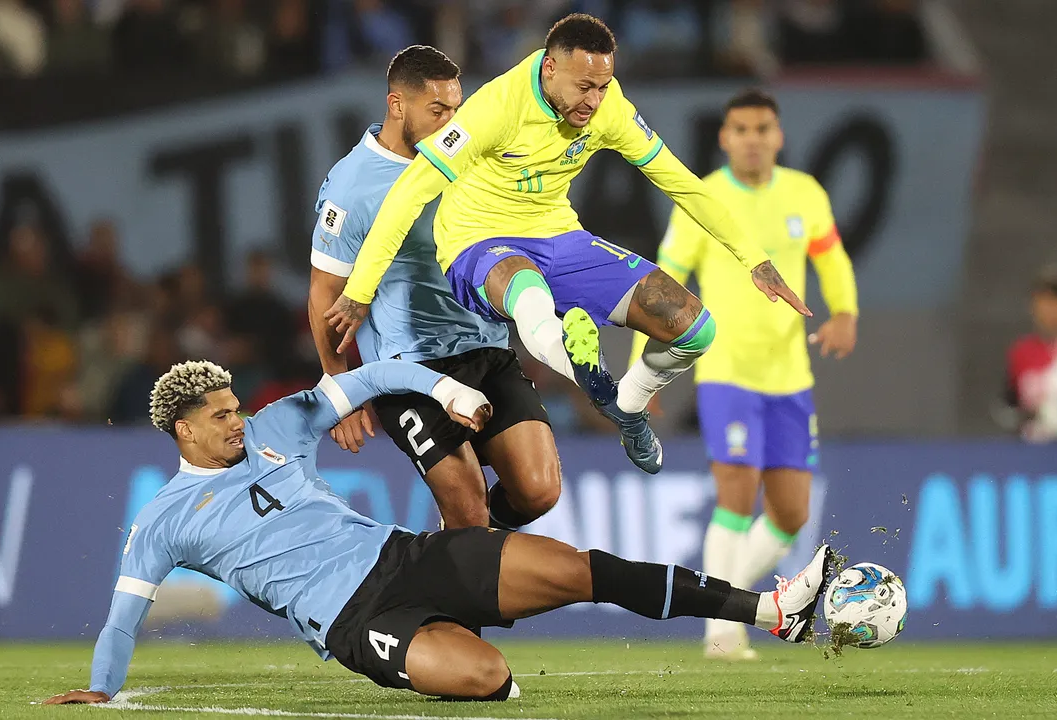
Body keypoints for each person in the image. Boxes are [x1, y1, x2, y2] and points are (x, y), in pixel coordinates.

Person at [43, 359, 832, 705]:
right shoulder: (162, 521)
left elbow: (378, 379)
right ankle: (468, 661)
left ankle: (772, 611)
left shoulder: (280, 425)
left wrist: (443, 389)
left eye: (235, 405)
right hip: (357, 624)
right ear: (182, 431)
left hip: (407, 558)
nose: (236, 420)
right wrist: (104, 687)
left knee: (584, 569)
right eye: (219, 416)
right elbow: (125, 613)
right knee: (486, 678)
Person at [323, 13, 811, 477]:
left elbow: (682, 183)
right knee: (528, 291)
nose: (594, 101)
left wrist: (755, 259)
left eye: (602, 86)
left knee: (694, 330)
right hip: (477, 241)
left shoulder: (608, 107)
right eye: (584, 87)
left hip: (559, 235)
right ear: (550, 68)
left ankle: (627, 406)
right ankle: (583, 366)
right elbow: (411, 192)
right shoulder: (495, 109)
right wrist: (361, 289)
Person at [632, 89, 857, 660]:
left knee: (790, 514)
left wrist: (846, 313)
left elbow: (830, 257)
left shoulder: (804, 192)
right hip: (727, 372)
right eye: (741, 129)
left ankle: (734, 606)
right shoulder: (703, 200)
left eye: (762, 128)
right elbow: (662, 283)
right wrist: (646, 366)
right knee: (736, 497)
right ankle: (722, 630)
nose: (753, 138)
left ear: (778, 136)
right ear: (724, 137)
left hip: (790, 377)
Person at [307, 45, 561, 531]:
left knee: (538, 491)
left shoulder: (470, 160)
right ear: (397, 105)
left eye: (456, 109)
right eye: (437, 110)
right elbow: (324, 293)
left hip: (487, 348)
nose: (451, 122)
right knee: (466, 513)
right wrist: (341, 388)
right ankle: (468, 565)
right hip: (409, 370)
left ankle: (464, 559)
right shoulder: (352, 187)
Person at [1002, 263, 1057, 442]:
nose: (1049, 310)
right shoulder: (1022, 352)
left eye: (1056, 301)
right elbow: (1008, 406)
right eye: (1042, 302)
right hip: (1034, 452)